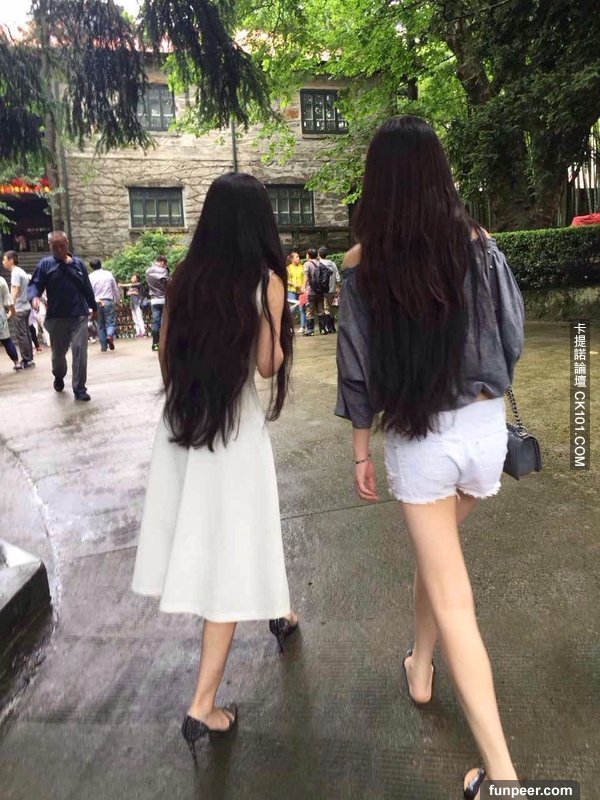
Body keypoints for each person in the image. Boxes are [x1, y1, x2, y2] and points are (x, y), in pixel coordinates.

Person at [335, 116, 525, 799]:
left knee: (455, 600)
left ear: (378, 182)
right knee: (436, 556)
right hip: (484, 433)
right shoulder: (481, 245)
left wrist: (360, 449)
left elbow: (357, 369)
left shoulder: (362, 264)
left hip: (421, 440)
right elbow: (511, 337)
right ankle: (420, 667)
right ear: (440, 175)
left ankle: (504, 780)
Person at [131, 172, 298, 761]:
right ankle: (203, 703)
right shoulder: (265, 281)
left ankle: (280, 607)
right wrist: (277, 321)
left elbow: (165, 355)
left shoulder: (185, 277)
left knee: (216, 534)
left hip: (185, 423)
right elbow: (268, 364)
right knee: (233, 549)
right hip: (233, 430)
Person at [28, 231, 98, 401]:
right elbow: (35, 284)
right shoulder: (45, 265)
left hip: (79, 315)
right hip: (57, 317)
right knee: (58, 356)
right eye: (55, 247)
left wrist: (94, 307)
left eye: (62, 246)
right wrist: (34, 297)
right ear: (50, 246)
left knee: (80, 352)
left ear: (67, 243)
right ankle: (58, 376)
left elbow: (87, 288)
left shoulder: (78, 264)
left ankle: (79, 389)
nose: (59, 250)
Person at [3, 251, 35, 369]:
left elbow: (16, 289)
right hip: (26, 306)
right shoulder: (21, 271)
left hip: (19, 308)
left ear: (11, 260)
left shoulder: (15, 273)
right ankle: (29, 358)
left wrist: (11, 305)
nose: (3, 262)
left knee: (21, 335)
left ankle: (26, 359)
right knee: (26, 334)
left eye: (4, 259)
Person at [88, 259, 121, 352]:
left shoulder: (90, 277)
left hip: (96, 301)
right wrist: (117, 300)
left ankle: (103, 346)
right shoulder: (108, 274)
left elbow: (89, 291)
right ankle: (109, 335)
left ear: (91, 267)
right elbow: (115, 288)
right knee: (110, 322)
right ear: (100, 264)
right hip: (107, 300)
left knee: (100, 324)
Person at [303, 247, 333, 336]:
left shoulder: (307, 264)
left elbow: (306, 275)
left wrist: (303, 286)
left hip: (311, 291)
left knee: (310, 310)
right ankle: (322, 330)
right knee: (321, 310)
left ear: (308, 255)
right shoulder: (319, 263)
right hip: (320, 291)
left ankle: (310, 330)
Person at [145, 255, 170, 351]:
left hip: (154, 300)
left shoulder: (148, 271)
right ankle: (164, 343)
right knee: (164, 322)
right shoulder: (164, 270)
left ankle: (155, 343)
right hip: (164, 299)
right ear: (163, 262)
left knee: (156, 322)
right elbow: (168, 283)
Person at [0, 275, 22, 372]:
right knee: (6, 340)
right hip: (0, 314)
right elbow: (8, 301)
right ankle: (16, 362)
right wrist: (12, 312)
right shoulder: (1, 281)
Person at [317, 246, 340, 333]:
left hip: (323, 290)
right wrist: (338, 287)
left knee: (325, 308)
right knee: (331, 308)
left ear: (319, 254)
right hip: (332, 289)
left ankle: (327, 327)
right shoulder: (333, 264)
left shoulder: (319, 264)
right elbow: (337, 277)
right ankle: (332, 326)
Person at [286, 250, 306, 332]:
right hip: (292, 291)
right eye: (297, 257)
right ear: (292, 259)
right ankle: (289, 327)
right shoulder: (288, 268)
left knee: (302, 309)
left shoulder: (302, 267)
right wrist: (293, 284)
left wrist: (303, 286)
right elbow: (286, 280)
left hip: (301, 291)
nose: (298, 258)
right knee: (292, 309)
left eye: (298, 257)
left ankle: (303, 327)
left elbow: (305, 278)